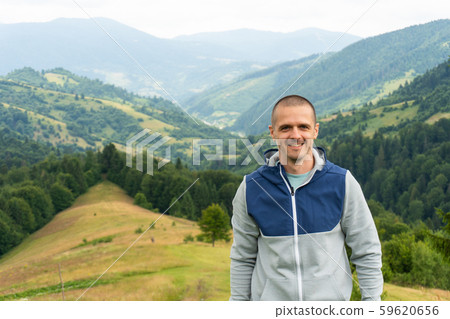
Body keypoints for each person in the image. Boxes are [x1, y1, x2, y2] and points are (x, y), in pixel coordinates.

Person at [229, 95, 383, 301]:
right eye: (285, 128)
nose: (295, 135)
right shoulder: (251, 188)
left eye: (303, 126)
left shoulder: (342, 182)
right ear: (272, 132)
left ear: (315, 130)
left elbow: (367, 251)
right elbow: (242, 259)